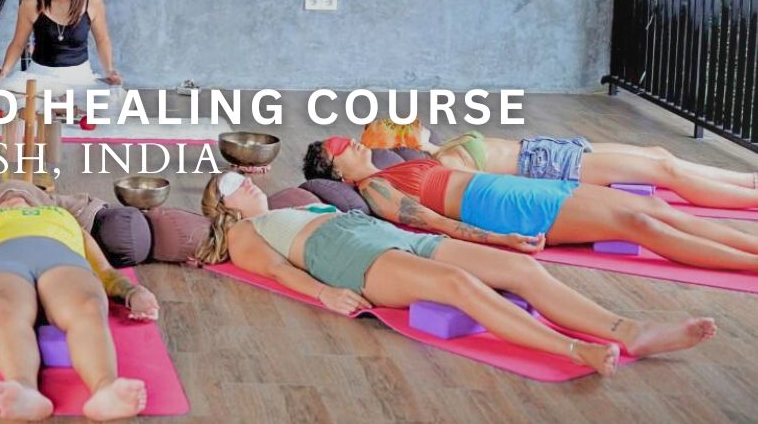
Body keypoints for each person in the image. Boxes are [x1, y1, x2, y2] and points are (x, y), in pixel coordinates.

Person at [200, 172, 716, 375]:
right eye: (231, 186)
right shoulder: (246, 232)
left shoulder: (300, 205)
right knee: (458, 286)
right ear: (222, 208)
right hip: (351, 257)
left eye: (242, 177)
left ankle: (630, 330)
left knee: (519, 268)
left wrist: (498, 238)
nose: (244, 183)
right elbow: (277, 271)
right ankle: (572, 349)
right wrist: (325, 294)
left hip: (384, 234)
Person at [303, 137, 758, 273]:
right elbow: (435, 222)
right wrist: (501, 239)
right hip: (503, 211)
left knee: (659, 210)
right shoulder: (375, 190)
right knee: (640, 224)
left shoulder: (392, 167)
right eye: (338, 147)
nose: (349, 141)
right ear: (338, 173)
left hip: (513, 188)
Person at [0, 183, 159, 421]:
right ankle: (23, 389)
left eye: (27, 191)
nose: (14, 193)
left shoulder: (65, 218)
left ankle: (106, 389)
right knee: (3, 307)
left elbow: (105, 271)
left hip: (61, 261)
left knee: (88, 307)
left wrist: (132, 292)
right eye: (2, 194)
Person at [361, 119, 758, 209]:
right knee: (663, 172)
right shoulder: (448, 161)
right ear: (403, 142)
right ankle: (750, 198)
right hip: (548, 167)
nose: (411, 124)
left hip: (549, 148)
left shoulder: (441, 147)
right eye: (400, 128)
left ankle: (748, 180)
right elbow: (484, 189)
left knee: (658, 153)